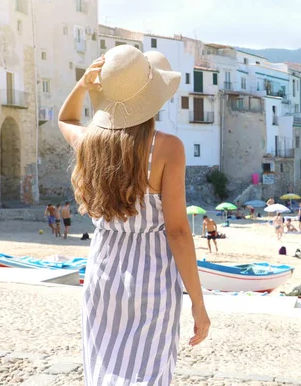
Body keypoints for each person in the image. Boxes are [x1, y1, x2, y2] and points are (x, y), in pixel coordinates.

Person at [58, 47, 209, 384]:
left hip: (104, 268)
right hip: (151, 274)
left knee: (104, 367)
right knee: (147, 372)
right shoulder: (168, 148)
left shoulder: (89, 143)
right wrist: (198, 303)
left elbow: (65, 119)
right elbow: (179, 231)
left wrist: (83, 85)